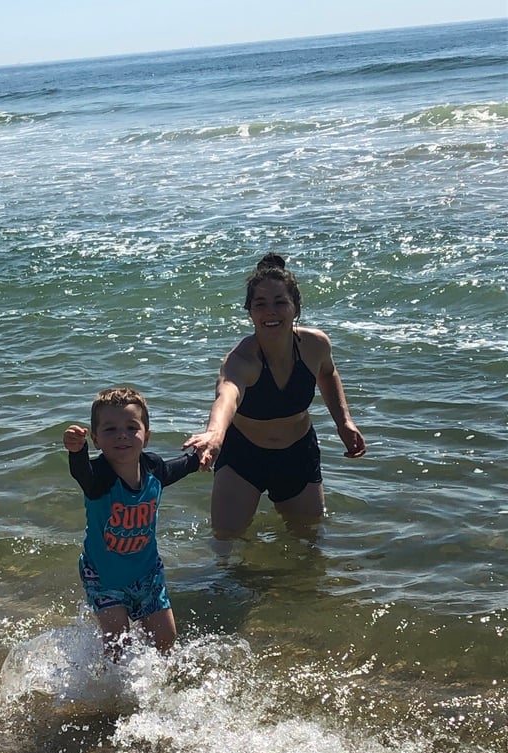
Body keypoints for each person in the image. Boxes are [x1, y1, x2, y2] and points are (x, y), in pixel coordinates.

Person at [183, 253, 365, 538]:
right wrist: (215, 435)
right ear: (250, 311)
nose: (270, 312)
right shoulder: (241, 360)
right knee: (224, 544)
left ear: (295, 308)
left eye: (280, 302)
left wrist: (344, 422)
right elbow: (226, 395)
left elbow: (327, 374)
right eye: (260, 304)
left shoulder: (315, 345)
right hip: (244, 455)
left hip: (297, 455)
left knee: (307, 542)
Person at [64, 386, 200, 656]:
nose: (122, 435)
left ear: (146, 437)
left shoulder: (154, 469)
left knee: (165, 639)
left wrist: (199, 458)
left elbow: (178, 468)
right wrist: (76, 450)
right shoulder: (98, 478)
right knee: (117, 644)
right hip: (104, 575)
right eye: (110, 429)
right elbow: (82, 472)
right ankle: (111, 694)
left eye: (131, 427)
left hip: (147, 572)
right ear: (96, 439)